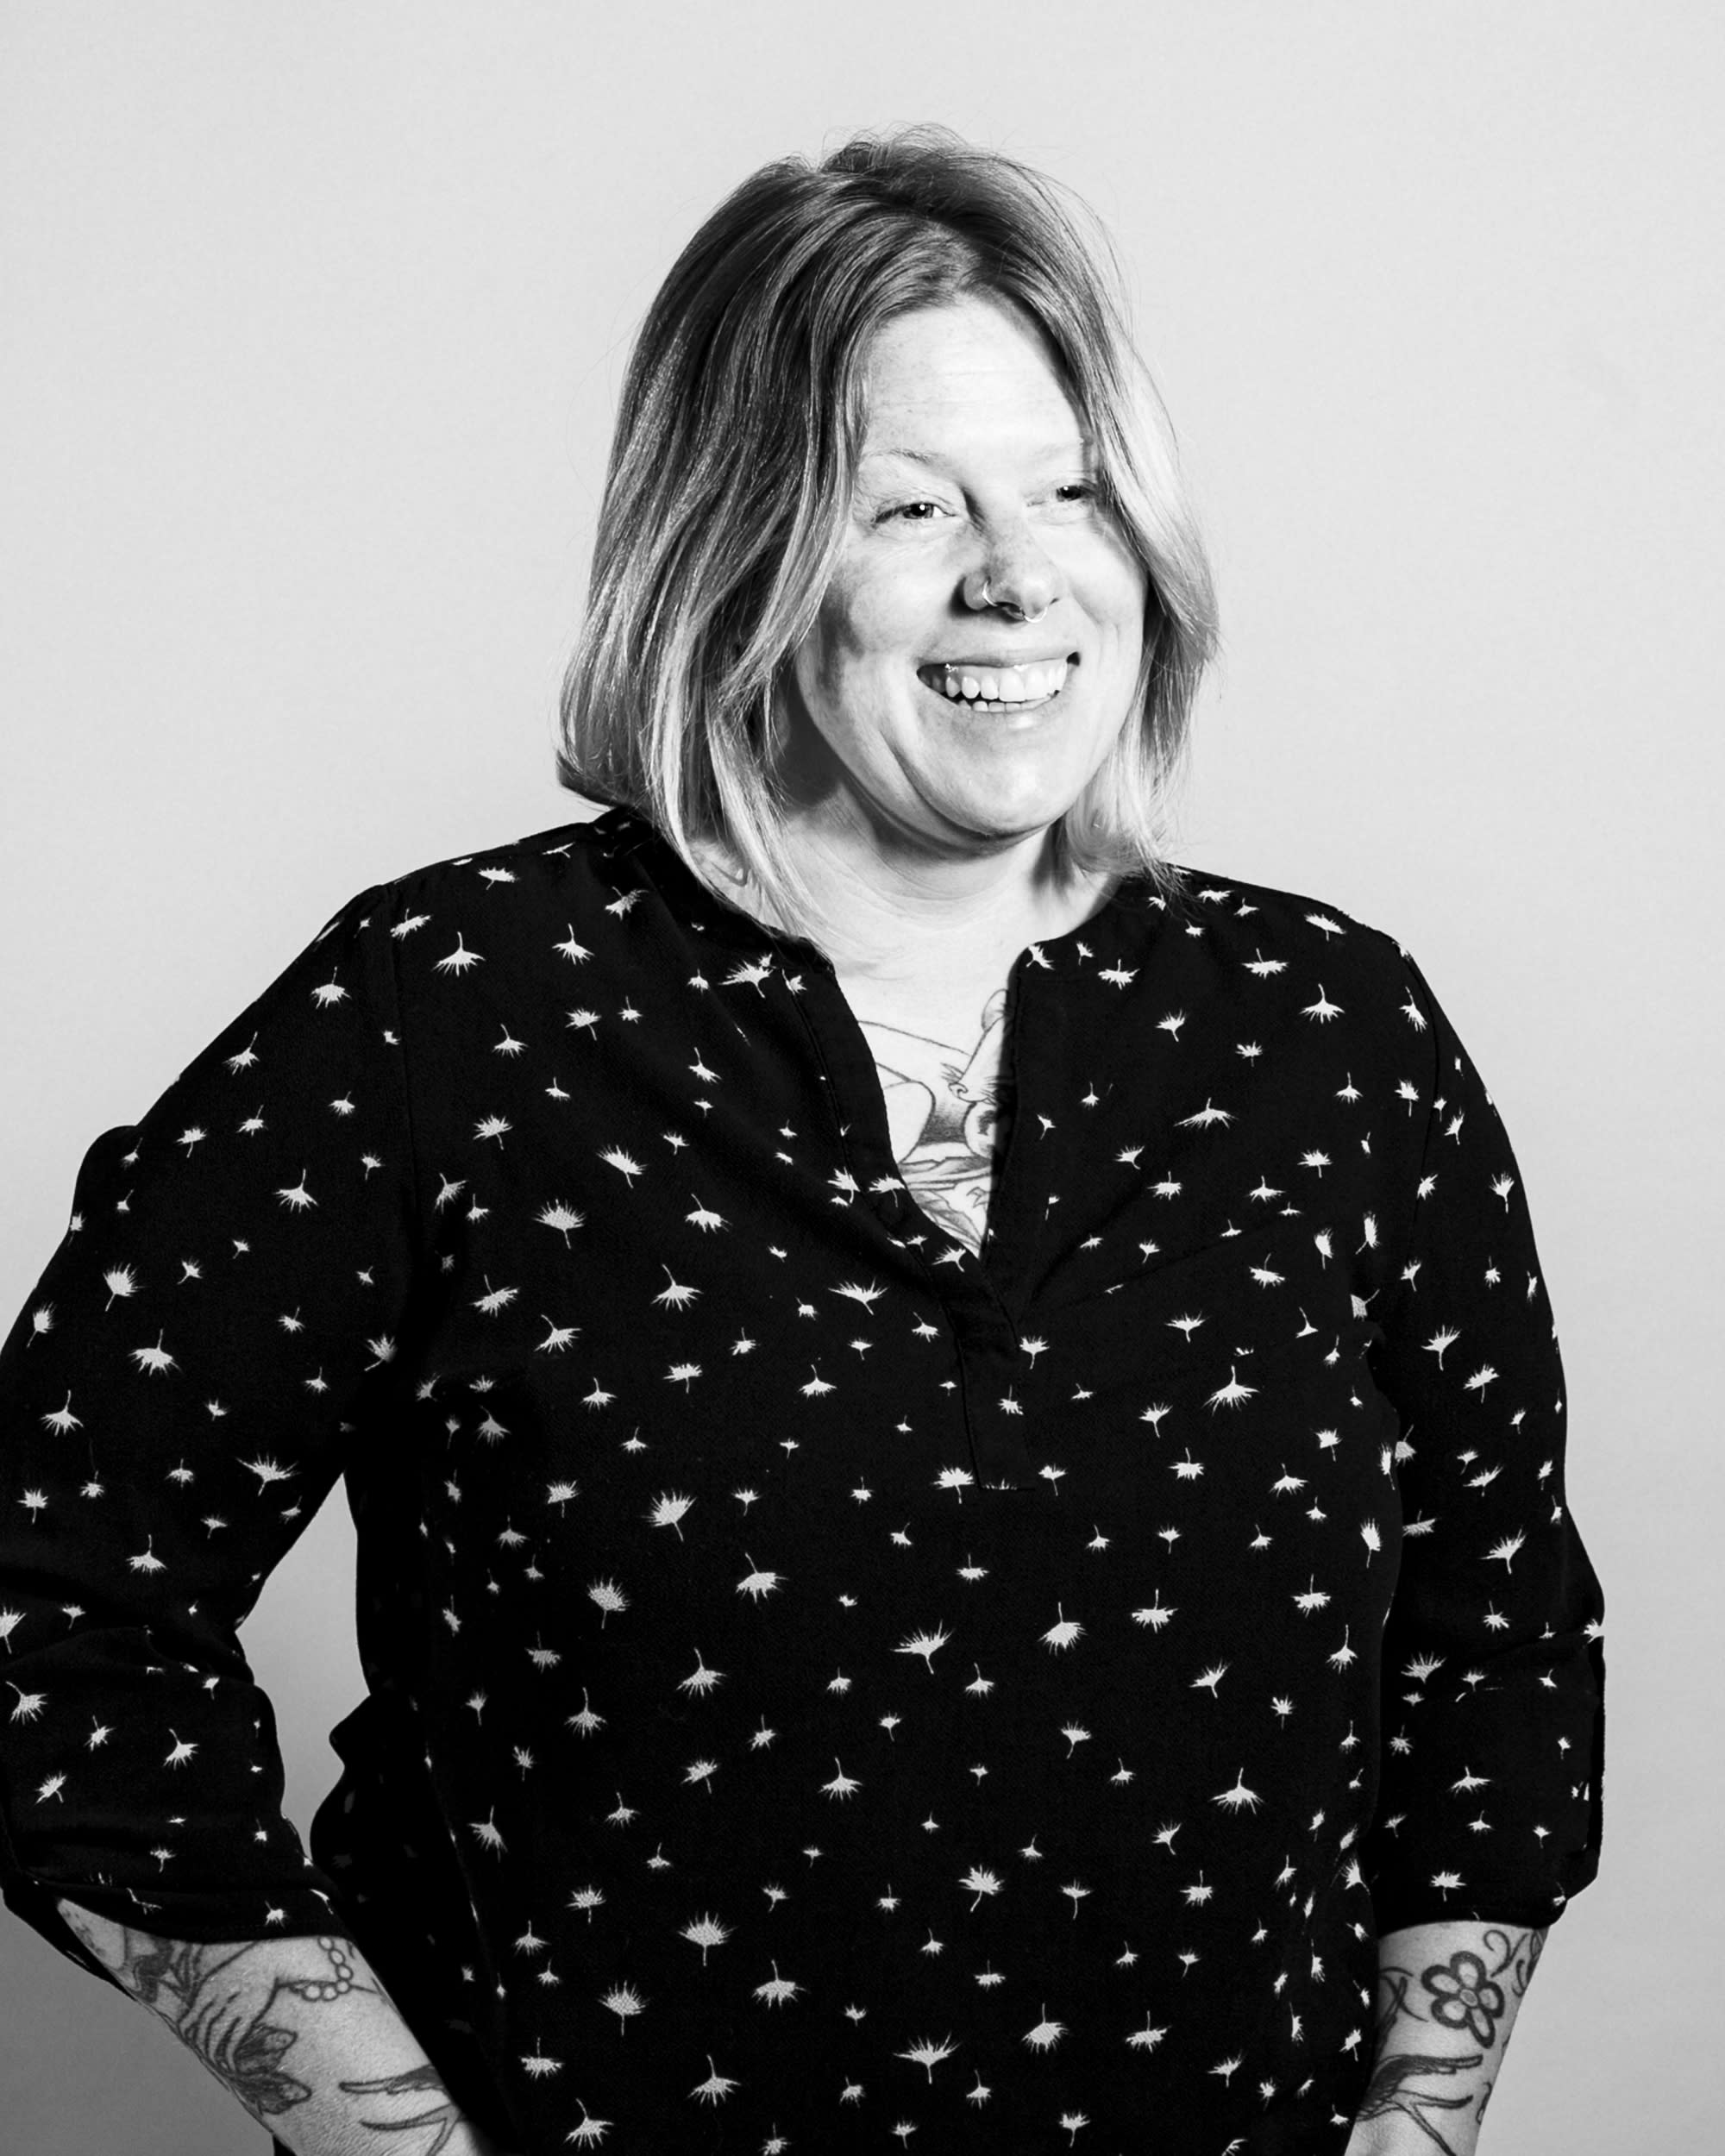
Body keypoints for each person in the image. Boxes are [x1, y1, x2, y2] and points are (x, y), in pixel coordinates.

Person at [0, 124, 1603, 2156]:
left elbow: (1496, 1629)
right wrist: (391, 2135)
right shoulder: (447, 1016)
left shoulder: (1328, 1032)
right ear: (732, 552)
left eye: (1071, 489)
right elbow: (46, 1605)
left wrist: (1420, 2120)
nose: (1017, 572)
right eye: (908, 504)